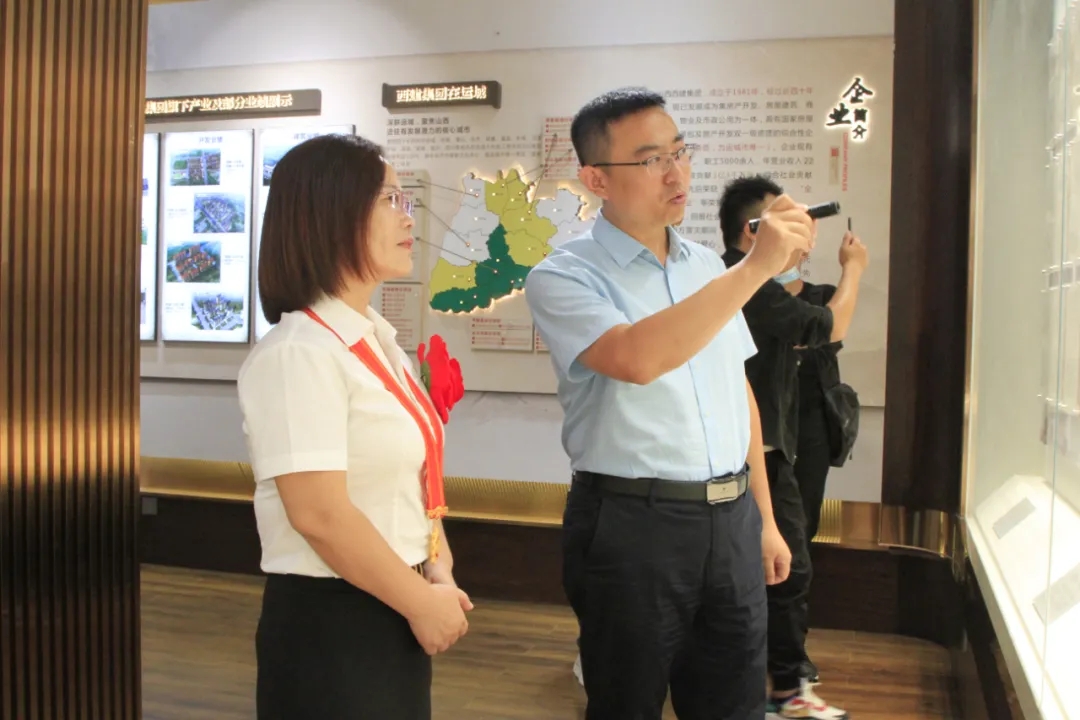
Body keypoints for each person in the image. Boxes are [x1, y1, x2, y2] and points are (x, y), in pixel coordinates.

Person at [525, 87, 815, 720]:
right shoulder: (563, 275)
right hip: (633, 523)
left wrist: (764, 518)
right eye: (651, 159)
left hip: (731, 518)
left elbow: (738, 391)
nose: (676, 173)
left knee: (734, 705)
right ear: (596, 179)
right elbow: (636, 358)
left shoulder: (706, 266)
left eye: (680, 152)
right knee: (626, 703)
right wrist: (754, 269)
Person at [237, 134, 473, 719]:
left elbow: (408, 483)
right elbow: (319, 513)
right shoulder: (298, 352)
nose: (408, 217)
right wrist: (420, 600)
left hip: (392, 597)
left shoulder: (375, 342)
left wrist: (436, 569)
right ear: (331, 212)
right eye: (390, 199)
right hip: (333, 621)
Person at [719, 175, 867, 720]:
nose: (803, 239)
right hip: (752, 448)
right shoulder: (748, 286)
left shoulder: (745, 282)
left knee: (780, 561)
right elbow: (828, 328)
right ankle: (784, 690)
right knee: (784, 564)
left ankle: (780, 687)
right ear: (752, 230)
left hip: (768, 443)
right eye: (791, 225)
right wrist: (854, 270)